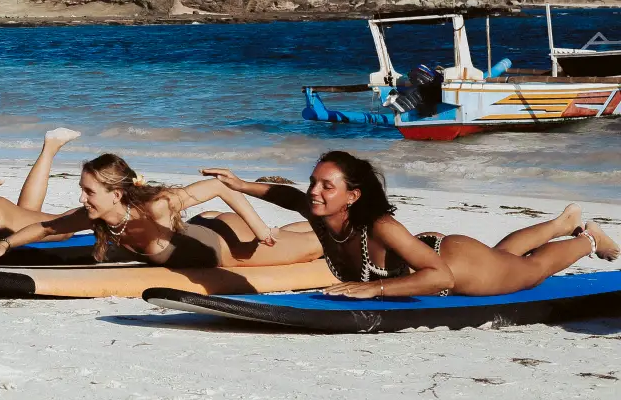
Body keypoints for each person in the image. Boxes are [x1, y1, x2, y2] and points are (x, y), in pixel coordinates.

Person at [201, 151, 617, 297]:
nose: (315, 191)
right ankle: (562, 221)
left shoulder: (378, 224)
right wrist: (240, 184)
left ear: (353, 195)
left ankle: (585, 239)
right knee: (505, 255)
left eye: (327, 185)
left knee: (529, 271)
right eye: (314, 182)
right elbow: (286, 195)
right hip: (441, 255)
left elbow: (440, 279)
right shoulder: (323, 212)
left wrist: (373, 288)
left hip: (458, 266)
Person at [0, 151, 326, 267]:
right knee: (298, 234)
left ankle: (347, 223)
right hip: (205, 229)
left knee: (316, 244)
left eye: (90, 192)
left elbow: (218, 186)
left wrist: (261, 231)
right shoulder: (93, 215)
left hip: (227, 247)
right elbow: (49, 227)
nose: (83, 199)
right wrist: (5, 245)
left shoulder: (155, 206)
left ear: (116, 194)